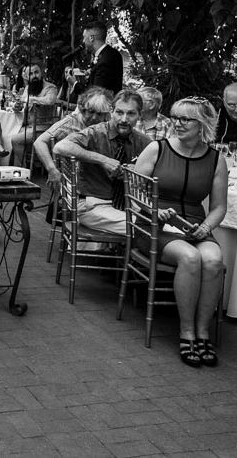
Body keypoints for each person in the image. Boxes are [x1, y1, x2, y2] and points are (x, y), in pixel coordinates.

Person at [134, 97, 227, 368]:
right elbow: (135, 194)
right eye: (175, 117)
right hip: (154, 225)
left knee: (213, 260)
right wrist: (154, 210)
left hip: (195, 227)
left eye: (186, 119)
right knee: (190, 258)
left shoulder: (215, 159)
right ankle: (186, 332)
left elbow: (219, 206)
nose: (178, 123)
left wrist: (207, 227)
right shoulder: (157, 149)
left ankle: (203, 332)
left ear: (203, 125)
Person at [53, 89, 150, 235]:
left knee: (162, 227)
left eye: (131, 114)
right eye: (119, 112)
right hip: (92, 204)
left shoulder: (143, 141)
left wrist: (138, 168)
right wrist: (103, 160)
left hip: (129, 204)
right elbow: (60, 147)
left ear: (140, 115)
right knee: (146, 228)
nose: (124, 119)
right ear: (111, 111)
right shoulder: (95, 133)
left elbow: (160, 167)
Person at [33, 87, 112, 192]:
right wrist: (52, 169)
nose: (94, 117)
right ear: (83, 109)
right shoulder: (71, 123)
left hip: (101, 179)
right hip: (76, 182)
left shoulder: (107, 125)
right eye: (90, 112)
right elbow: (39, 142)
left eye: (99, 114)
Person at [10, 63, 58, 164]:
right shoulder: (28, 88)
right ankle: (14, 169)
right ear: (27, 76)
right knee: (8, 134)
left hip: (44, 129)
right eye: (31, 74)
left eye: (36, 72)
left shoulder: (50, 88)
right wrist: (17, 107)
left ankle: (22, 169)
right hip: (29, 127)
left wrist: (30, 99)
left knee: (15, 139)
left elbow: (50, 100)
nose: (34, 76)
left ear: (41, 73)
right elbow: (23, 104)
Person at [83, 19, 123, 94]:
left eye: (84, 37)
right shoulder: (109, 53)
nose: (83, 41)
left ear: (91, 38)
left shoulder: (107, 58)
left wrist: (75, 84)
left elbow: (97, 91)